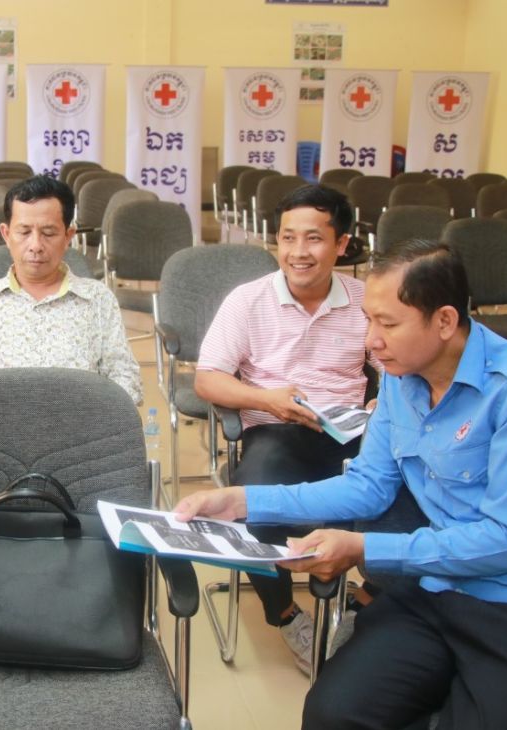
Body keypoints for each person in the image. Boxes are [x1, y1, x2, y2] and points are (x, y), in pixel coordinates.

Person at [177, 240, 507, 729]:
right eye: (368, 320)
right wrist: (242, 501)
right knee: (333, 714)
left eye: (387, 324)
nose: (371, 341)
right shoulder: (400, 379)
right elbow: (368, 486)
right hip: (444, 587)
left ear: (445, 321)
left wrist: (364, 548)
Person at [194, 184, 375, 674]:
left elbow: (402, 368)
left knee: (419, 496)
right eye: (287, 238)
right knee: (252, 507)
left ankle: (363, 604)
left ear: (341, 244)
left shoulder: (366, 300)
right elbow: (208, 379)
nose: (298, 252)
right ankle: (285, 613)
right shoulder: (248, 300)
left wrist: (385, 401)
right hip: (275, 429)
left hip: (353, 433)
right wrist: (267, 399)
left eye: (313, 238)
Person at [0, 174, 142, 403]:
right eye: (24, 232)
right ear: (6, 235)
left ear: (68, 236)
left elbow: (127, 378)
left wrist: (95, 415)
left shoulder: (98, 299)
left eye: (48, 233)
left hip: (78, 422)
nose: (35, 245)